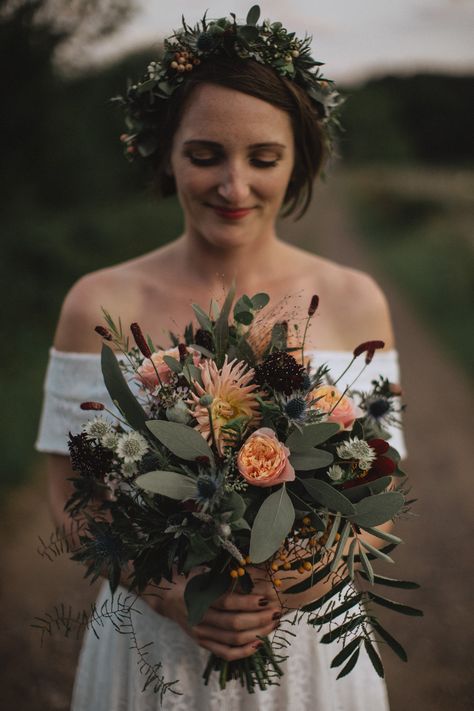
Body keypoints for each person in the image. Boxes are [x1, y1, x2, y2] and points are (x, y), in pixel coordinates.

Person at [35, 7, 407, 710]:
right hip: (153, 646)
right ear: (164, 152)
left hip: (314, 648)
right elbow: (67, 494)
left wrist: (290, 589)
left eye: (263, 159)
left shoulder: (358, 301)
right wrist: (172, 594)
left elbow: (382, 504)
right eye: (205, 155)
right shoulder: (97, 303)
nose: (234, 188)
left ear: (299, 158)